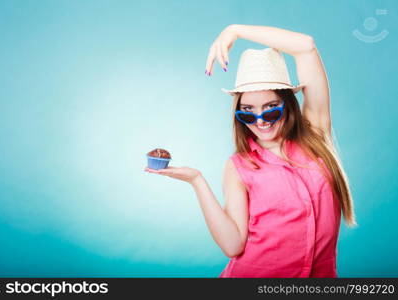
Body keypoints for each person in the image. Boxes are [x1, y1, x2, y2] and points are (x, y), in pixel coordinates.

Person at [144, 24, 357, 278]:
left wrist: (235, 31)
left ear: (288, 105)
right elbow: (233, 245)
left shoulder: (316, 135)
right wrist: (196, 180)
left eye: (271, 108)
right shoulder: (239, 166)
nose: (260, 120)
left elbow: (306, 47)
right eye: (247, 111)